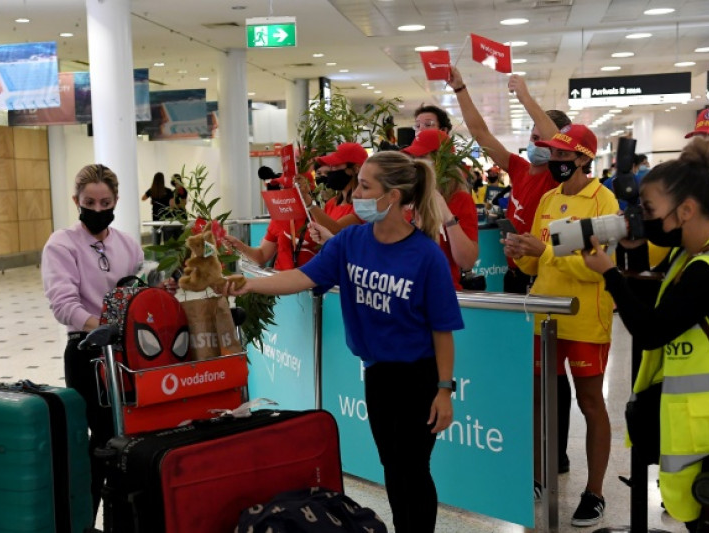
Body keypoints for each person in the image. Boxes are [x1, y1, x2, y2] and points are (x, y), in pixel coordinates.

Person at [224, 151, 464, 533]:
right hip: (378, 374)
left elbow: (442, 330)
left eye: (367, 187)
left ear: (395, 196)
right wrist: (249, 283)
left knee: (412, 469)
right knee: (393, 466)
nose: (358, 196)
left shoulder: (426, 256)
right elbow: (301, 277)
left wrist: (444, 390)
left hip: (419, 378)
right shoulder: (350, 241)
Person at [581, 137, 709, 532]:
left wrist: (608, 274)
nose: (643, 217)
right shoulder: (705, 252)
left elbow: (651, 329)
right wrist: (632, 251)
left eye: (650, 210)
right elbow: (654, 300)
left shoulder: (707, 269)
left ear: (686, 210)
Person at [448, 64, 576, 474]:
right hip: (516, 277)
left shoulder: (557, 184)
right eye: (535, 138)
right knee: (528, 366)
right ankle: (532, 443)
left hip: (547, 277)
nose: (536, 143)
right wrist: (462, 88)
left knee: (551, 370)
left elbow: (554, 134)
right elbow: (481, 133)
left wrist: (523, 94)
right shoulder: (520, 170)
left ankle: (555, 453)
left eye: (545, 140)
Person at [503, 124, 618, 527]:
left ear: (585, 159)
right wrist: (520, 252)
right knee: (539, 400)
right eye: (552, 155)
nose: (556, 162)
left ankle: (595, 492)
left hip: (584, 317)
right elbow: (536, 263)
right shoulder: (549, 198)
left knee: (591, 403)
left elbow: (596, 269)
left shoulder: (604, 200)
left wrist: (544, 250)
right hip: (543, 315)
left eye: (564, 157)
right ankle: (538, 476)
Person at [41, 163, 145, 516]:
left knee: (130, 434)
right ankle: (85, 515)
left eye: (105, 203)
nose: (98, 210)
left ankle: (125, 514)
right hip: (87, 352)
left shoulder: (128, 245)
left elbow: (136, 292)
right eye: (90, 202)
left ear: (116, 201)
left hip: (127, 352)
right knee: (101, 438)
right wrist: (99, 327)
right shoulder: (62, 244)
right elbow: (63, 303)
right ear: (76, 201)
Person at [403, 128, 479, 289]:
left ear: (442, 161)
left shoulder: (459, 200)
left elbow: (466, 262)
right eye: (412, 157)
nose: (415, 163)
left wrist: (448, 218)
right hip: (404, 289)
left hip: (441, 291)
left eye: (422, 157)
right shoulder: (405, 197)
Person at [300, 142, 368, 234]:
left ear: (355, 169)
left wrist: (308, 201)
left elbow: (336, 231)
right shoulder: (332, 203)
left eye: (335, 165)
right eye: (330, 166)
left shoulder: (365, 205)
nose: (330, 171)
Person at [141, 172, 173, 244]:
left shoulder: (151, 190)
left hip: (156, 217)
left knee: (156, 242)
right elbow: (172, 205)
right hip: (167, 218)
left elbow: (143, 198)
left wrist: (152, 200)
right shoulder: (168, 191)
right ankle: (167, 254)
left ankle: (156, 254)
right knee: (167, 242)